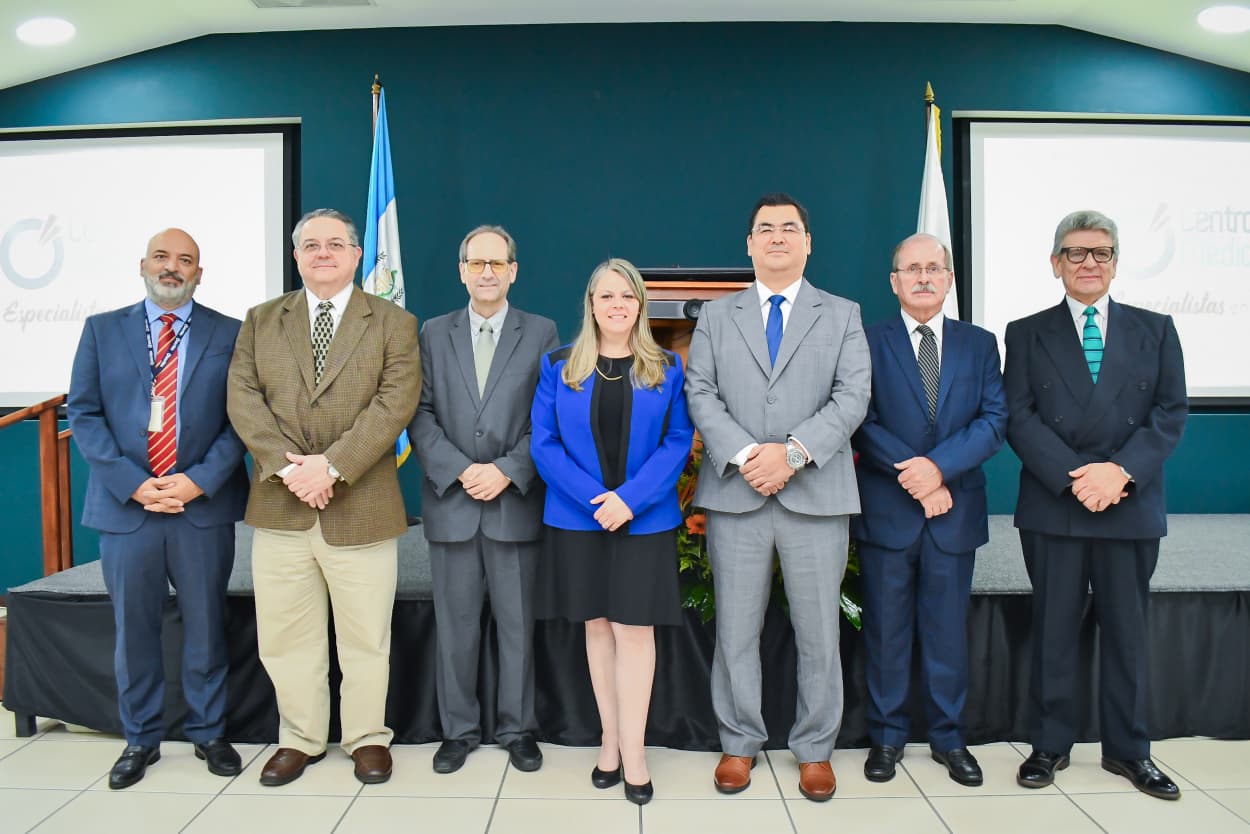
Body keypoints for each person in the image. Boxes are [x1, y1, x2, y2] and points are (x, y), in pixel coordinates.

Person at [685, 193, 871, 802]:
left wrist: (788, 454)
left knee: (819, 631)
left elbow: (851, 398)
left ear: (808, 242)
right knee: (736, 630)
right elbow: (702, 393)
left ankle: (815, 749)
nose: (777, 237)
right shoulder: (717, 317)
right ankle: (739, 744)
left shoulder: (842, 314)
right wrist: (747, 456)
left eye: (789, 228)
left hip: (814, 493)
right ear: (749, 244)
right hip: (738, 494)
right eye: (765, 229)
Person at [227, 208, 420, 787]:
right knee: (286, 637)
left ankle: (366, 739)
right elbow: (243, 399)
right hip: (281, 506)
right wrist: (293, 472)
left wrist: (332, 467)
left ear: (358, 254)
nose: (323, 253)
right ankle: (301, 739)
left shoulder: (393, 322)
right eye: (311, 245)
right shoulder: (261, 321)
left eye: (336, 244)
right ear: (296, 256)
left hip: (360, 505)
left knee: (365, 637)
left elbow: (395, 404)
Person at [1004, 210, 1187, 800]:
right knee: (1053, 630)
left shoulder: (1155, 329)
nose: (1089, 263)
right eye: (1077, 253)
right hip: (1057, 504)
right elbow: (1019, 415)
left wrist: (1119, 473)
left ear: (1115, 261)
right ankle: (1050, 744)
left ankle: (1130, 752)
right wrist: (1075, 477)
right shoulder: (1026, 332)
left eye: (1101, 253)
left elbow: (1168, 415)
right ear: (1055, 263)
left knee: (1128, 635)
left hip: (1128, 504)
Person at [67, 228, 249, 789]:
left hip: (200, 507)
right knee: (135, 629)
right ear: (142, 264)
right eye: (163, 258)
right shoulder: (102, 330)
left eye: (185, 261)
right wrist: (133, 483)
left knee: (205, 626)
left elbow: (241, 419)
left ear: (201, 273)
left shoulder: (232, 333)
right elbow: (84, 411)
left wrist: (195, 482)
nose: (173, 268)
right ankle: (140, 738)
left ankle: (209, 732)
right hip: (129, 508)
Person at [530, 258, 693, 806]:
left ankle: (637, 750)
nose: (617, 305)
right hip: (579, 520)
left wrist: (629, 500)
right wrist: (597, 502)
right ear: (591, 304)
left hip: (644, 522)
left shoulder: (667, 367)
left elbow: (677, 441)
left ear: (640, 304)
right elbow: (544, 444)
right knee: (597, 628)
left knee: (634, 632)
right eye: (606, 296)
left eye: (627, 296)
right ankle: (608, 741)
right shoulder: (559, 366)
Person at [851, 233, 1007, 786]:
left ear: (948, 279)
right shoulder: (866, 341)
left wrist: (938, 470)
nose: (923, 277)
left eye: (933, 268)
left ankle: (948, 738)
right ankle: (887, 738)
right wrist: (916, 476)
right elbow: (860, 420)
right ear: (894, 281)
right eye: (911, 269)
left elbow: (993, 422)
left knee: (947, 632)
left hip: (953, 512)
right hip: (889, 513)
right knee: (886, 633)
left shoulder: (980, 343)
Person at [411, 224, 559, 775]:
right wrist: (458, 470)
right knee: (455, 627)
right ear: (462, 270)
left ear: (514, 271)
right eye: (477, 263)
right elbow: (418, 412)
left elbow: (546, 418)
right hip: (452, 504)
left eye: (497, 263)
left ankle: (518, 729)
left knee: (518, 626)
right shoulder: (432, 332)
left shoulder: (541, 332)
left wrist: (506, 471)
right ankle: (459, 731)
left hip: (512, 503)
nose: (487, 273)